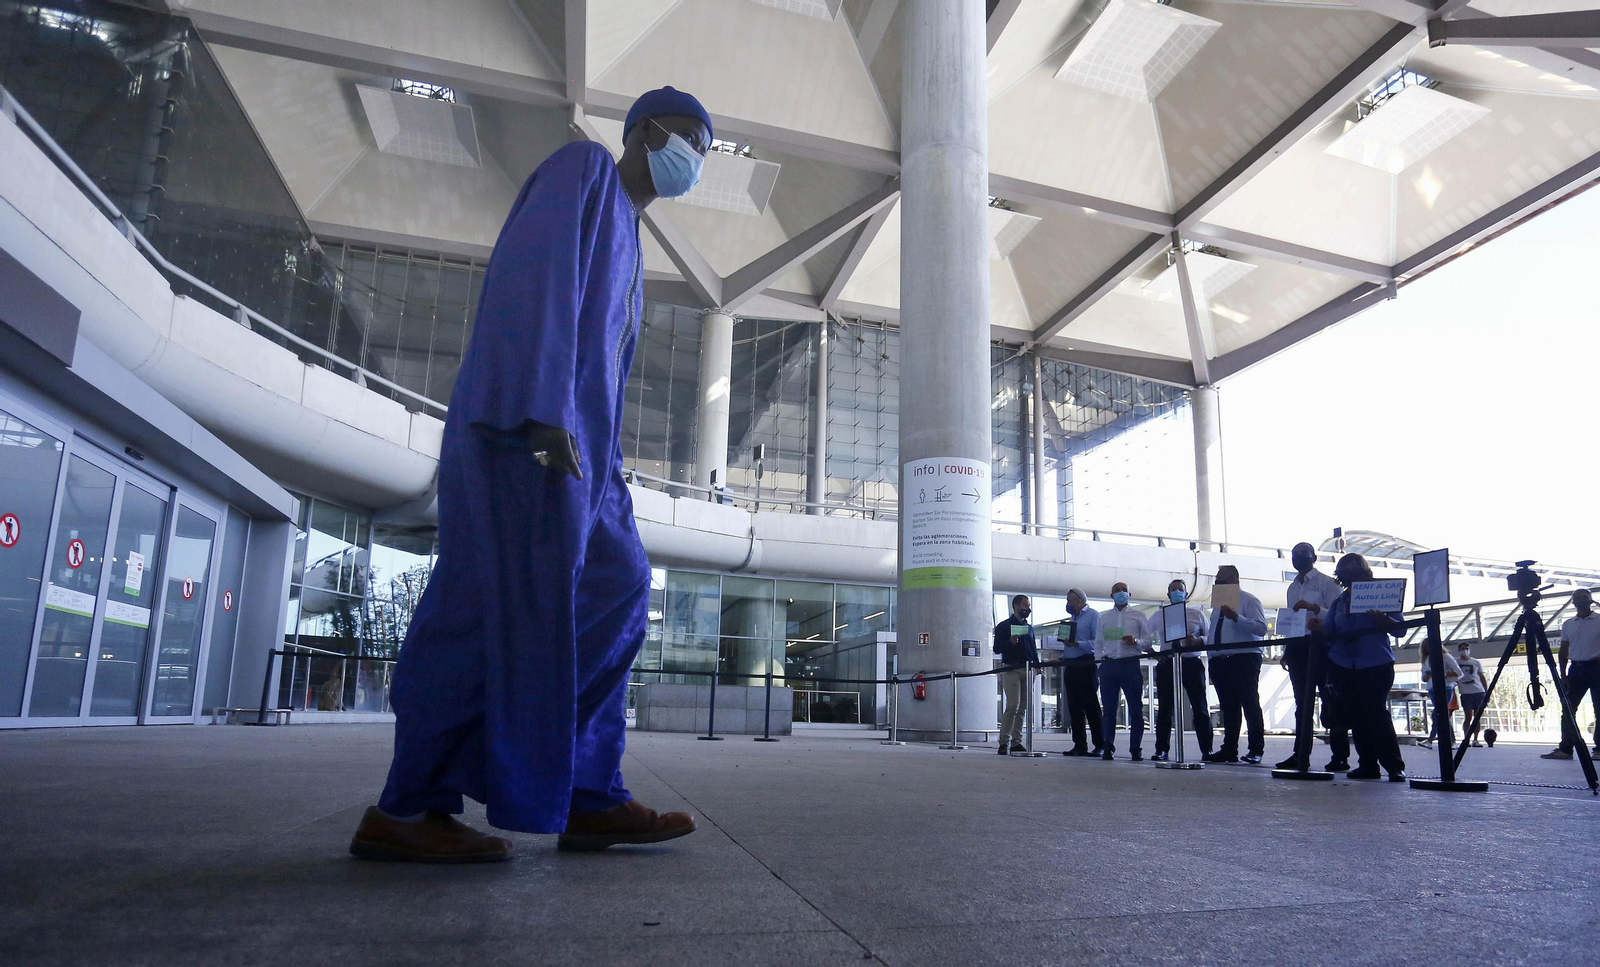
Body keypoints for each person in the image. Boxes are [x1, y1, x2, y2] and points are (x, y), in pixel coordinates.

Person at [349, 87, 715, 862]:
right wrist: (538, 412)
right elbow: (530, 281)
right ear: (643, 129)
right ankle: (408, 804)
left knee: (616, 587)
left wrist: (604, 463)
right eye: (688, 137)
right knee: (484, 605)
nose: (696, 158)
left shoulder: (633, 236)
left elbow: (606, 370)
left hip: (589, 462)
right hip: (524, 435)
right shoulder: (584, 171)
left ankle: (585, 788)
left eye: (705, 148)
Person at [1310, 553, 1407, 781]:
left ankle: (1394, 766)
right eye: (1346, 570)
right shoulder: (1340, 601)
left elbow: (1400, 629)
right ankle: (1368, 765)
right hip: (1344, 664)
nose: (1350, 573)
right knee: (1356, 716)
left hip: (1375, 662)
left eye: (1355, 568)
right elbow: (1330, 631)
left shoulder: (1380, 595)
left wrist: (1384, 620)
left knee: (1376, 714)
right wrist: (1319, 628)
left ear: (1365, 571)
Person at [1278, 542, 1349, 772]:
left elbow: (1339, 615)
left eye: (1302, 554)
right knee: (1302, 704)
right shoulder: (1292, 588)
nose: (1297, 558)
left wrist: (1315, 608)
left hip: (1324, 646)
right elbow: (1292, 621)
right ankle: (1300, 755)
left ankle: (1340, 756)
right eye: (1294, 554)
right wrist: (1287, 650)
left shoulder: (1326, 583)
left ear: (1313, 557)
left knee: (1332, 702)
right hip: (1300, 647)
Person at [1202, 566, 1268, 764]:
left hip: (1243, 658)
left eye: (1222, 579)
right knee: (1228, 707)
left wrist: (1237, 618)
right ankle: (1229, 749)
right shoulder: (1217, 606)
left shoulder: (1249, 600)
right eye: (1217, 579)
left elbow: (1261, 628)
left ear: (1234, 579)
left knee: (1249, 703)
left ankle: (1256, 749)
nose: (1218, 583)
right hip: (1220, 661)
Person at [1152, 579, 1212, 763]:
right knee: (1165, 709)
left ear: (1186, 594)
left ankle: (1207, 750)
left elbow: (1211, 636)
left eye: (1180, 590)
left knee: (1200, 708)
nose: (1177, 592)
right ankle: (1162, 750)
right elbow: (1143, 633)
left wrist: (1197, 640)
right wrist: (1151, 652)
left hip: (1191, 663)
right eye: (1173, 590)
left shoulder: (1198, 614)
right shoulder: (1159, 615)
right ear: (1168, 595)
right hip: (1167, 663)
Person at [1541, 588, 1600, 760]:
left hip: (1597, 668)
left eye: (1585, 597)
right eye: (1578, 598)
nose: (1581, 600)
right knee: (1568, 709)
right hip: (1576, 669)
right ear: (1573, 602)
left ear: (1591, 600)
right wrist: (1563, 675)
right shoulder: (1568, 624)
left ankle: (1599, 749)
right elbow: (1563, 650)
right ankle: (1565, 749)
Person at [1096, 582, 1152, 761]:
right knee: (1109, 711)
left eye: (1124, 590)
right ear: (1111, 595)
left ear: (1129, 594)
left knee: (1136, 709)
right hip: (1109, 666)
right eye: (1117, 591)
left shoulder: (1139, 615)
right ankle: (1108, 747)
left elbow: (1148, 641)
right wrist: (1100, 666)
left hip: (1130, 664)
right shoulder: (1103, 618)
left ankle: (1136, 748)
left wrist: (1136, 642)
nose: (1121, 593)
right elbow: (1098, 643)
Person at [1058, 588, 1104, 757]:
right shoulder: (1072, 619)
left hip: (1086, 663)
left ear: (1079, 601)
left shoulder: (1093, 615)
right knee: (1074, 706)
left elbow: (1098, 642)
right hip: (1071, 665)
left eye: (1069, 601)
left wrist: (1078, 644)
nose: (1067, 604)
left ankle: (1100, 744)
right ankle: (1079, 745)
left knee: (1091, 705)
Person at [993, 594, 1039, 755]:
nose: (1028, 609)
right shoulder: (1003, 626)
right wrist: (1010, 642)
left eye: (1029, 605)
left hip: (1028, 669)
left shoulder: (1029, 628)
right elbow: (997, 648)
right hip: (1011, 668)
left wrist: (1037, 665)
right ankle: (1003, 741)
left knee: (1023, 707)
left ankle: (1016, 741)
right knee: (1013, 705)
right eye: (1025, 605)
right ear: (1016, 606)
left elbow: (1032, 648)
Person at [1417, 638, 1461, 751]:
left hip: (1445, 686)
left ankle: (1431, 739)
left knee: (1438, 712)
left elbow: (1458, 672)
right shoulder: (1426, 659)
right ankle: (1451, 741)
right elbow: (1423, 676)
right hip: (1432, 688)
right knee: (1441, 714)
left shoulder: (1446, 656)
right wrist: (1426, 677)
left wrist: (1443, 674)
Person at [1455, 642, 1488, 748]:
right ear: (1459, 650)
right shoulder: (1455, 662)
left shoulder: (1476, 662)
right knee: (1468, 716)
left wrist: (1486, 692)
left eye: (1466, 648)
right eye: (1462, 648)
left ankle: (1476, 739)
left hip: (1478, 691)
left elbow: (1481, 676)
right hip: (1465, 692)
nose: (1465, 650)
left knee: (1477, 716)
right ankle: (1466, 738)